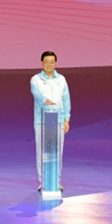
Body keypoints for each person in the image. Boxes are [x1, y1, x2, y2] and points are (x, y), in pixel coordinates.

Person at [31, 51, 71, 192]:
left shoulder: (61, 79)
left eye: (52, 62)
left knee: (57, 152)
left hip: (58, 120)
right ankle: (43, 182)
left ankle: (56, 182)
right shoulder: (35, 79)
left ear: (55, 63)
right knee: (42, 152)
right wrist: (45, 101)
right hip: (42, 120)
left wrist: (66, 119)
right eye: (46, 62)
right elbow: (37, 94)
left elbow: (66, 99)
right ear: (42, 63)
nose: (49, 64)